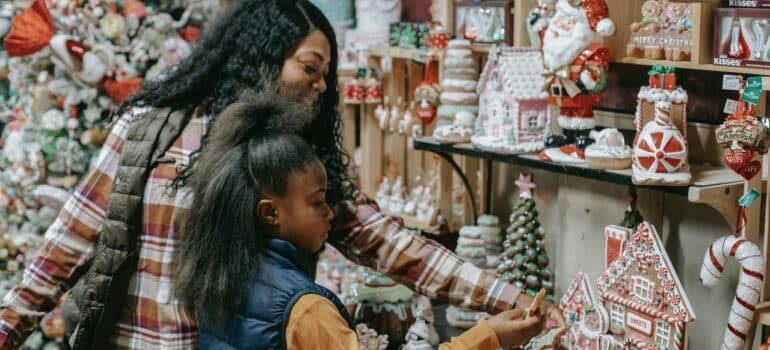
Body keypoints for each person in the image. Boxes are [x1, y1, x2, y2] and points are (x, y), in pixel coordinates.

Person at [0, 0, 562, 348]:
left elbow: (391, 243)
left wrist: (509, 297)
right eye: (309, 69)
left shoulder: (289, 162)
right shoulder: (152, 129)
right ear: (262, 57)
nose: (320, 88)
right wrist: (10, 328)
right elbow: (66, 244)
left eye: (326, 76)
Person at [178, 93, 545, 349]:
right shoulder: (305, 309)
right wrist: (489, 337)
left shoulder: (219, 275)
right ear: (270, 213)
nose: (330, 213)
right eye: (318, 202)